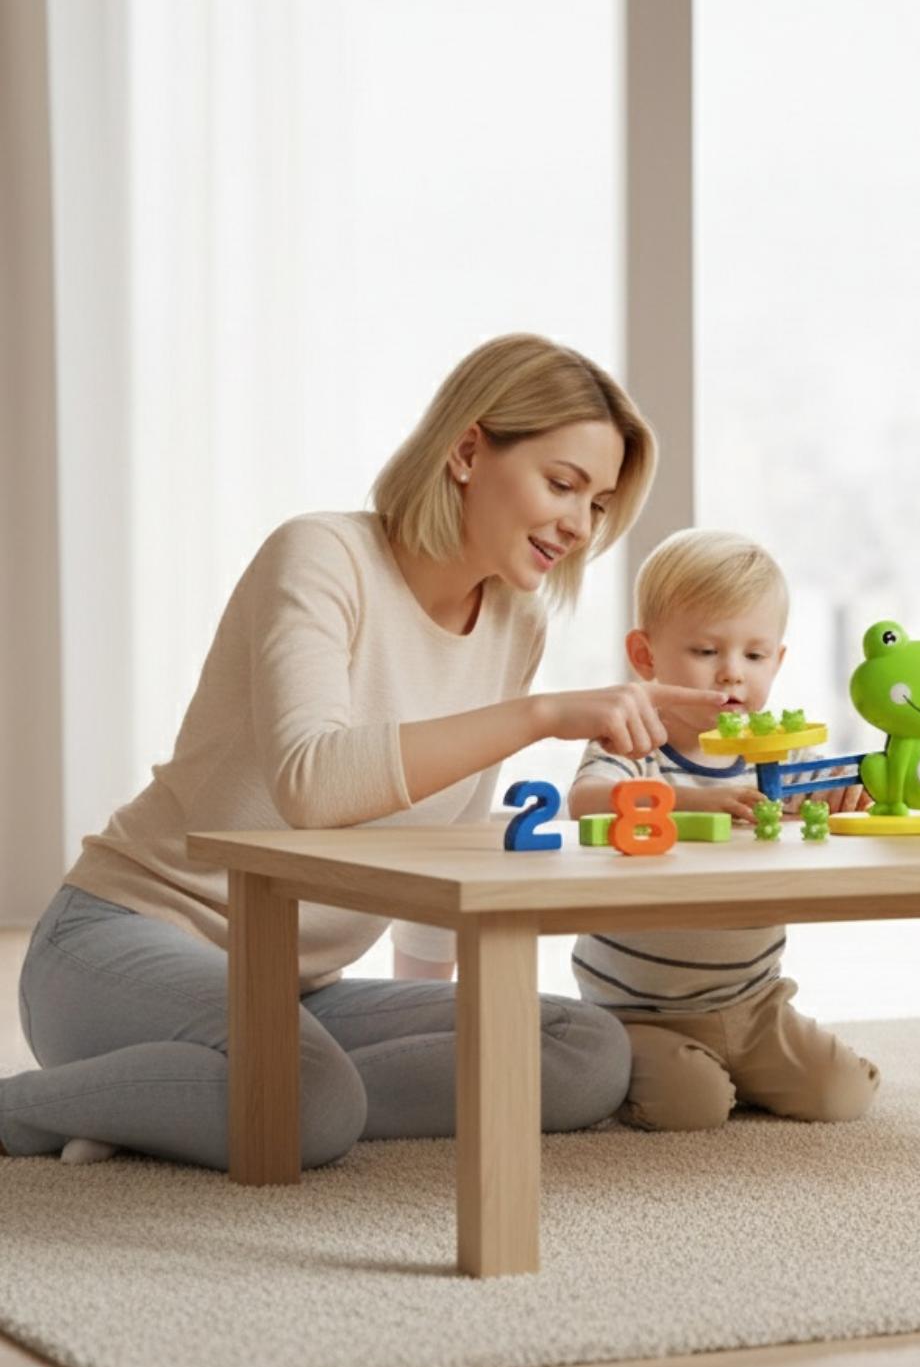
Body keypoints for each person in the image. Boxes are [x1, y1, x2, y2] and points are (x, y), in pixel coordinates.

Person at [0, 334, 722, 1168]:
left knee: (582, 1050)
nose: (579, 525)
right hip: (118, 945)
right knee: (311, 1095)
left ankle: (187, 1101)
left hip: (298, 988)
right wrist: (544, 714)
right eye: (562, 484)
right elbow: (312, 782)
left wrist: (437, 1019)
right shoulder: (321, 556)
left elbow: (440, 842)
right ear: (466, 452)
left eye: (597, 503)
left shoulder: (514, 621)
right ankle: (52, 1109)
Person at [564, 528, 881, 1132]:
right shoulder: (633, 742)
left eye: (754, 657)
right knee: (691, 1108)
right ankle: (648, 1067)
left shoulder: (777, 753)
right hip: (639, 1010)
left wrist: (850, 792)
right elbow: (585, 801)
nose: (731, 674)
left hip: (756, 1003)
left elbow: (837, 785)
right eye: (707, 651)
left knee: (841, 1096)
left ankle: (740, 1068)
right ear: (645, 656)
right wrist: (689, 800)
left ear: (777, 662)